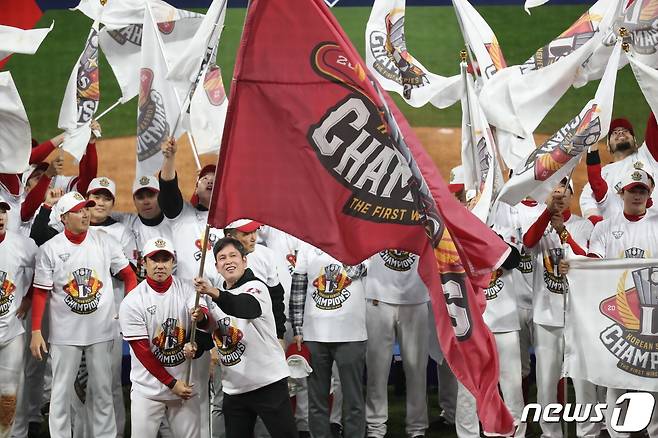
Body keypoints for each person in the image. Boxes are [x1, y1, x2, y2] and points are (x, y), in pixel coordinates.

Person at [29, 191, 137, 438]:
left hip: (101, 331)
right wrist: (36, 331)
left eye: (86, 209)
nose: (86, 214)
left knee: (103, 391)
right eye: (79, 211)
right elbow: (40, 293)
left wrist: (126, 308)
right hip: (65, 334)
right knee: (60, 393)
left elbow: (129, 275)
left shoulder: (105, 241)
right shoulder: (50, 249)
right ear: (65, 217)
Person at [565, 168, 658, 438]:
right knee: (615, 374)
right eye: (632, 190)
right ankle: (618, 433)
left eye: (642, 190)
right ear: (622, 193)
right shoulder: (606, 227)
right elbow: (594, 263)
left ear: (649, 194)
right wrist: (573, 265)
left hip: (652, 315)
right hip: (621, 316)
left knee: (652, 377)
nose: (637, 195)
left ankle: (653, 432)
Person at [189, 237, 297, 438]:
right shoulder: (217, 298)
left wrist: (212, 291)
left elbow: (245, 308)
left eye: (233, 256)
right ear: (216, 266)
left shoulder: (256, 287)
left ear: (245, 261)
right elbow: (214, 334)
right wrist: (198, 331)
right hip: (235, 389)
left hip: (268, 383)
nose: (228, 261)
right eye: (222, 258)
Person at [523, 180, 592, 438]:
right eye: (555, 192)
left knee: (584, 381)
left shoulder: (583, 225)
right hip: (546, 315)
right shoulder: (539, 225)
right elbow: (528, 242)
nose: (560, 196)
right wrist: (547, 215)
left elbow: (590, 258)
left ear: (572, 197)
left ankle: (588, 432)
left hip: (577, 315)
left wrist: (564, 233)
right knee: (546, 382)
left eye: (565, 192)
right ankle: (550, 433)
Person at [119, 236, 207, 438]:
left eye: (165, 259)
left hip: (185, 384)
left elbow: (204, 322)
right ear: (144, 262)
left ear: (173, 262)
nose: (160, 265)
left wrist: (201, 316)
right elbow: (143, 353)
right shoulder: (132, 302)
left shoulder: (187, 289)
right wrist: (171, 383)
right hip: (148, 389)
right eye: (154, 259)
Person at [290, 243, 368, 438]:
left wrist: (338, 242)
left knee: (354, 400)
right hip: (314, 334)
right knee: (316, 400)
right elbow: (298, 286)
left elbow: (357, 270)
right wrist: (298, 329)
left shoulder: (357, 239)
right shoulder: (306, 243)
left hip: (351, 334)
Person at [364, 249, 429, 438]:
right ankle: (375, 426)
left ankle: (417, 427)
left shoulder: (425, 218)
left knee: (417, 369)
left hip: (416, 295)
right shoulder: (376, 218)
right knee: (376, 369)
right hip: (378, 294)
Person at [0, 197, 37, 438]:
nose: (0, 216)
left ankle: (10, 435)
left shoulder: (22, 244)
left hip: (11, 331)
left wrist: (28, 298)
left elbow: (43, 268)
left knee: (10, 392)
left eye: (3, 212)